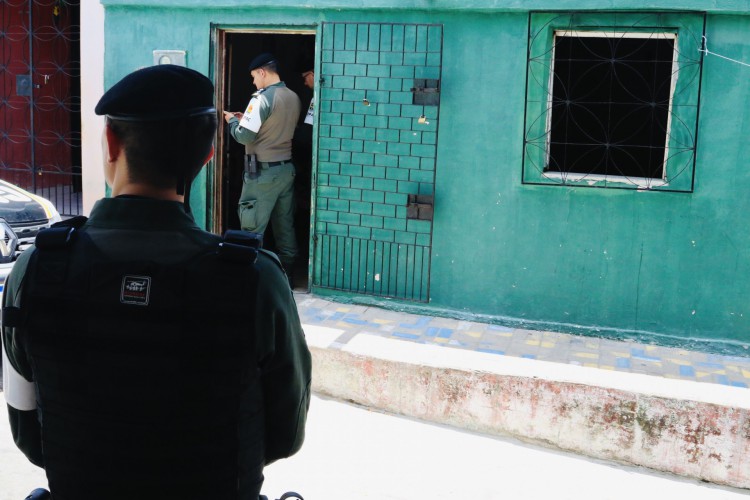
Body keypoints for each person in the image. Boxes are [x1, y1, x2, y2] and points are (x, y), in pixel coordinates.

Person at [1, 65, 311, 500]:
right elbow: (285, 436)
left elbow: (28, 435)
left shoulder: (34, 270)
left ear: (110, 143)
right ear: (206, 157)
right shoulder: (255, 280)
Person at [223, 53, 301, 286]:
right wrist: (244, 119)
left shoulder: (260, 99)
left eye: (254, 77)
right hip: (286, 170)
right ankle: (287, 278)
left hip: (263, 174)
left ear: (263, 72)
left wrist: (232, 121)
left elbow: (243, 135)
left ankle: (249, 279)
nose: (253, 82)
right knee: (284, 225)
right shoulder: (293, 96)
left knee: (251, 225)